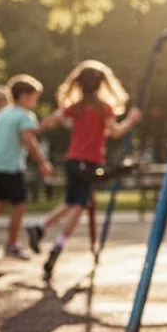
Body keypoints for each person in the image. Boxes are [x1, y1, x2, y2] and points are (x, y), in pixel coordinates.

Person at [29, 61, 141, 280]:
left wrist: (37, 129)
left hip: (72, 161)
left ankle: (41, 227)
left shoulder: (76, 107)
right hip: (89, 164)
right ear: (101, 85)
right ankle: (57, 247)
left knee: (71, 203)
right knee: (79, 206)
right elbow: (115, 132)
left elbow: (54, 119)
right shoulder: (103, 108)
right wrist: (131, 120)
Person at [0, 76, 54, 260]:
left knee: (1, 200)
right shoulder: (24, 115)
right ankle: (12, 244)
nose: (36, 102)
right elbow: (29, 141)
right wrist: (42, 163)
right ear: (24, 96)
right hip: (10, 166)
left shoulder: (3, 114)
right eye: (35, 97)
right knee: (20, 204)